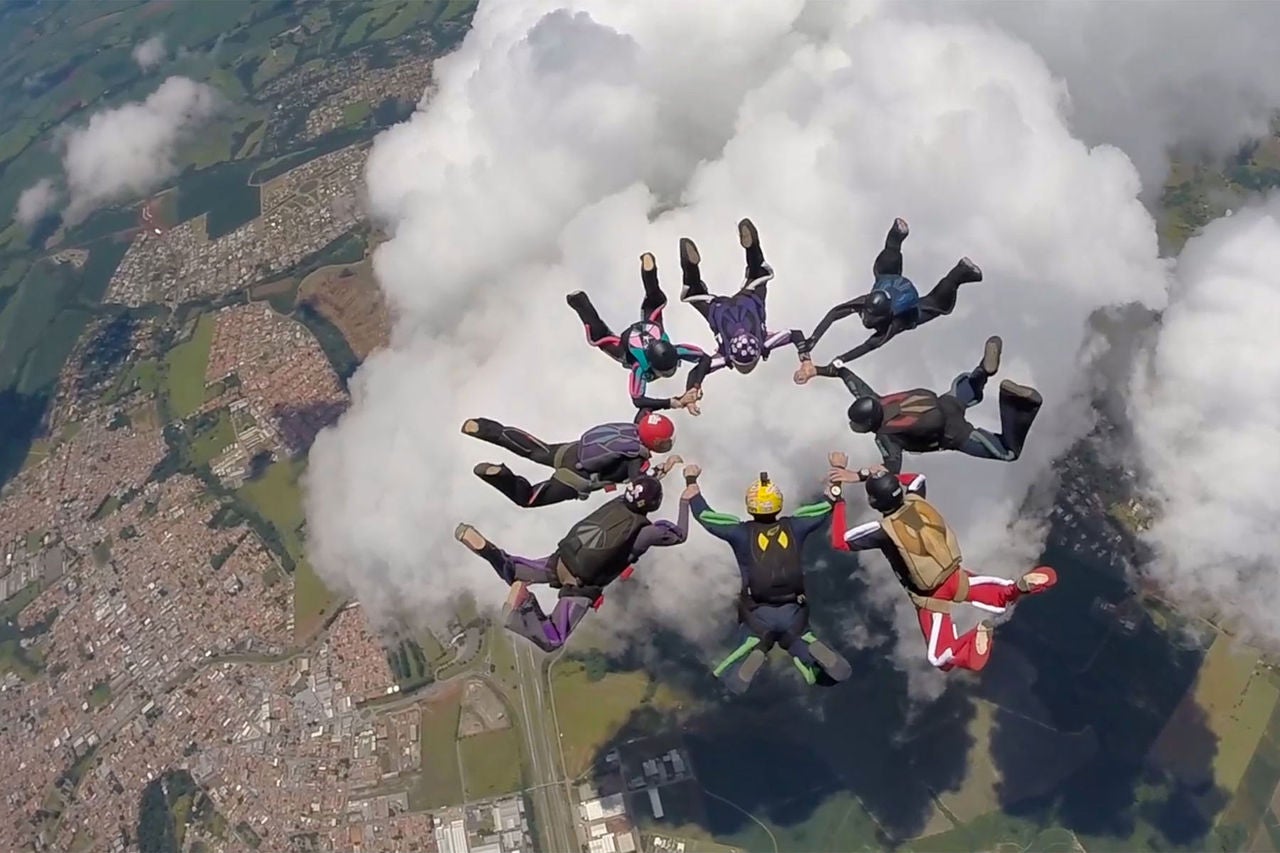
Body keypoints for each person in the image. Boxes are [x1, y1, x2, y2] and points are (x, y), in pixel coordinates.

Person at [827, 460, 1056, 672]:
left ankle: (970, 646)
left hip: (930, 597)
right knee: (1002, 597)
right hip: (955, 576)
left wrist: (837, 500)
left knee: (941, 657)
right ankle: (1019, 587)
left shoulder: (883, 531)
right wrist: (880, 476)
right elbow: (918, 479)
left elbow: (840, 541)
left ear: (873, 502)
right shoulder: (918, 501)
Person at [454, 475, 688, 652]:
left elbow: (639, 489)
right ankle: (521, 608)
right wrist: (686, 501)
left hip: (561, 559)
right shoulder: (646, 532)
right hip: (581, 584)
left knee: (515, 572)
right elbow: (680, 535)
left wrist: (660, 471)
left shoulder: (617, 503)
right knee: (552, 638)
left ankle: (489, 551)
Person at [683, 463, 853, 694]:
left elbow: (706, 516)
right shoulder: (796, 525)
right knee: (797, 639)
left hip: (758, 612)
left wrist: (691, 480)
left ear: (750, 505)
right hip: (794, 610)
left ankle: (757, 648)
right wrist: (837, 473)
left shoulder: (740, 532)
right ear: (779, 503)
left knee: (751, 642)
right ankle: (808, 648)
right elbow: (826, 506)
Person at [803, 335, 1042, 474]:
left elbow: (892, 468)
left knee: (1008, 452)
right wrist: (816, 371)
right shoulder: (874, 400)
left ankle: (1017, 404)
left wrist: (854, 474)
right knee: (966, 394)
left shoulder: (886, 436)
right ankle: (983, 371)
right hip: (945, 402)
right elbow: (849, 377)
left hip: (954, 434)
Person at [795, 218, 984, 379]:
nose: (866, 321)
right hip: (889, 282)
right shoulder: (866, 301)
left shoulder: (896, 322)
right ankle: (896, 236)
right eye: (866, 316)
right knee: (885, 266)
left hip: (909, 307)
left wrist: (831, 365)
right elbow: (836, 313)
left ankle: (960, 272)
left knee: (936, 303)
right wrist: (813, 339)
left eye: (871, 319)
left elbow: (868, 346)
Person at [567, 252, 711, 415]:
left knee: (655, 304)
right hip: (629, 343)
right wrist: (672, 402)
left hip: (649, 330)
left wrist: (695, 386)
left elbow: (704, 358)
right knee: (600, 337)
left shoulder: (676, 351)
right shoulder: (640, 367)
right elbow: (638, 399)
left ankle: (649, 270)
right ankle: (580, 303)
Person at [678, 218, 815, 378]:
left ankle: (752, 247)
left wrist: (805, 359)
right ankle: (690, 266)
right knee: (694, 292)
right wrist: (694, 388)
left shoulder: (765, 343)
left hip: (747, 301)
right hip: (719, 309)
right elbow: (697, 372)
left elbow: (795, 334)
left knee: (758, 274)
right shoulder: (724, 358)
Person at [462, 412, 682, 508]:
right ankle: (501, 475)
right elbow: (640, 488)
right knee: (528, 498)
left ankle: (486, 428)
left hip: (571, 450)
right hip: (577, 477)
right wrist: (664, 468)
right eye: (663, 443)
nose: (664, 446)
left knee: (533, 450)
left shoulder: (633, 427)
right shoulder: (638, 460)